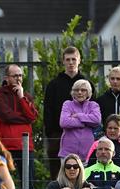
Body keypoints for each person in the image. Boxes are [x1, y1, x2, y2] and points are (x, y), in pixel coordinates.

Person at [0, 64, 42, 189]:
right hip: (5, 147)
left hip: (25, 146)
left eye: (20, 75)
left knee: (28, 183)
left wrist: (21, 98)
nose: (18, 79)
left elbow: (33, 116)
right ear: (6, 78)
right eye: (15, 76)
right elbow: (6, 116)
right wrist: (25, 118)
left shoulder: (26, 96)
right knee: (3, 183)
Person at [44, 46, 95, 180]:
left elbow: (93, 111)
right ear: (63, 62)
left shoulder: (87, 84)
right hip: (58, 134)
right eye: (68, 59)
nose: (71, 62)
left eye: (74, 59)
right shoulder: (54, 85)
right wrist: (51, 133)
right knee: (57, 173)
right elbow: (48, 111)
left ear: (79, 61)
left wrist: (78, 121)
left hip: (83, 136)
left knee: (82, 171)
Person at [58, 79, 101, 161]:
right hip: (68, 153)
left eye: (83, 90)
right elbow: (64, 122)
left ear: (88, 92)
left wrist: (78, 115)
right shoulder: (67, 104)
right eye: (76, 90)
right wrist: (85, 123)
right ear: (73, 92)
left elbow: (97, 120)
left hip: (88, 153)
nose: (80, 92)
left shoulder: (93, 105)